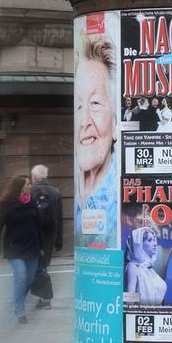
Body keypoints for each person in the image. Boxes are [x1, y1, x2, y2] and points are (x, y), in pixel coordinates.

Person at [75, 31, 120, 249]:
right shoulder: (78, 196)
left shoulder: (121, 202)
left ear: (116, 124)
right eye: (79, 105)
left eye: (95, 103)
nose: (84, 121)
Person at [0, 174, 41, 324]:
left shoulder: (32, 201)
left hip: (32, 246)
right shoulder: (6, 204)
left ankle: (17, 300)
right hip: (14, 247)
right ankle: (20, 311)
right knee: (21, 277)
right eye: (27, 184)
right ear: (20, 187)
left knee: (30, 279)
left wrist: (41, 246)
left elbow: (37, 225)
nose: (30, 186)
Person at [30, 164, 63, 309]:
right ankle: (42, 297)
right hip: (50, 236)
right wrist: (59, 240)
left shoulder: (30, 191)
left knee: (38, 267)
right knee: (41, 266)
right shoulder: (56, 192)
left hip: (33, 235)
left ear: (34, 177)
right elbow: (60, 218)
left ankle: (44, 298)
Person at [124, 224, 166, 304]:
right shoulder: (133, 267)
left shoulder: (150, 270)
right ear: (139, 244)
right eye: (150, 240)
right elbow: (129, 299)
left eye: (154, 240)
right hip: (141, 313)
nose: (154, 244)